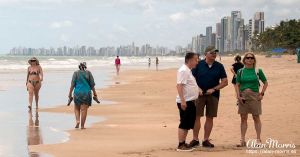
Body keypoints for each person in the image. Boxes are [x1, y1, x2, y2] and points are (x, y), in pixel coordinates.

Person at [190, 46, 228, 148]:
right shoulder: (199, 64)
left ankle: (206, 140)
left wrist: (214, 89)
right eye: (212, 52)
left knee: (210, 117)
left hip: (214, 95)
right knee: (196, 117)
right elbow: (191, 78)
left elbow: (225, 82)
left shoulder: (219, 66)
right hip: (198, 95)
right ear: (206, 54)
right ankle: (195, 139)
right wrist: (197, 88)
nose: (214, 54)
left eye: (215, 52)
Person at [236, 52, 268, 147]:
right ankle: (242, 140)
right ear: (244, 60)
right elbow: (237, 84)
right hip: (243, 97)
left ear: (254, 60)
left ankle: (258, 139)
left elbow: (265, 83)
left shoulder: (258, 70)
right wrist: (238, 96)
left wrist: (262, 94)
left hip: (255, 96)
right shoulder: (240, 71)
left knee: (256, 117)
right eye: (247, 58)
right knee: (243, 118)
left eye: (251, 58)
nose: (249, 59)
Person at [176, 52, 199, 151]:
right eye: (195, 60)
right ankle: (181, 145)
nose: (197, 62)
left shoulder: (188, 70)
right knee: (184, 123)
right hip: (186, 101)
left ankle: (183, 143)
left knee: (188, 123)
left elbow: (188, 85)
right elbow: (179, 85)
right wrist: (183, 101)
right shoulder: (183, 70)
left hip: (190, 101)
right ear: (189, 60)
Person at [68, 62, 99, 129]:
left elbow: (72, 85)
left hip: (77, 93)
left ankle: (77, 121)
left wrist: (70, 94)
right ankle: (82, 126)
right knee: (84, 109)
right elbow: (92, 85)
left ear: (79, 67)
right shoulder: (88, 73)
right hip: (86, 93)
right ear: (85, 67)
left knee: (76, 108)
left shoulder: (75, 73)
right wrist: (95, 93)